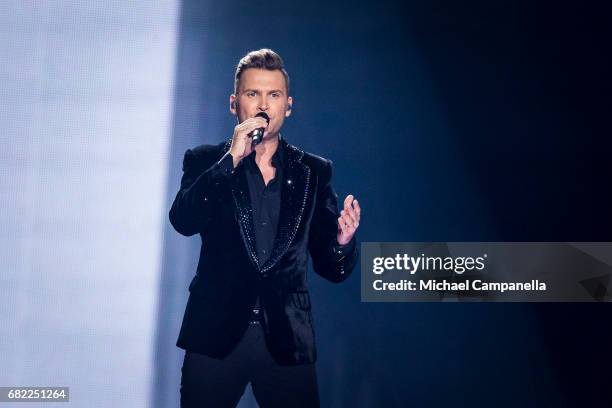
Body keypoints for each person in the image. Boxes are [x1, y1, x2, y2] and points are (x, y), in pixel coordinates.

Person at [169, 48, 361, 407]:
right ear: (234, 103)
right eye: (252, 93)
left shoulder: (313, 172)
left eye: (273, 95)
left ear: (288, 105)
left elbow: (331, 268)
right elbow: (183, 220)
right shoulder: (205, 161)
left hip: (286, 338)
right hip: (215, 334)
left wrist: (342, 241)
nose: (263, 103)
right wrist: (231, 161)